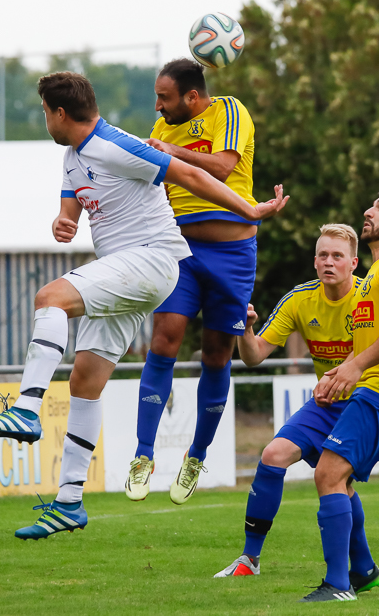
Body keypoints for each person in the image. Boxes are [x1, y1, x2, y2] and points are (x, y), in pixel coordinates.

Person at [0, 72, 288, 539]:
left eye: (43, 112)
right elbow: (73, 201)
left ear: (59, 113)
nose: (44, 121)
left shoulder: (118, 143)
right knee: (86, 379)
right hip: (127, 268)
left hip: (154, 261)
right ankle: (70, 502)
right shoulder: (73, 156)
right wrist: (64, 220)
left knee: (49, 298)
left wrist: (251, 209)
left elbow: (192, 174)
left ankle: (28, 408)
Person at [215, 224, 379, 586]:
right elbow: (254, 357)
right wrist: (245, 328)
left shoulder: (371, 292)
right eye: (322, 255)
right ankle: (251, 558)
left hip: (375, 398)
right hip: (330, 403)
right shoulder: (299, 300)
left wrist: (347, 370)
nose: (328, 262)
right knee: (274, 455)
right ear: (314, 262)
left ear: (353, 263)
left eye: (337, 256)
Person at [125, 58, 260, 505]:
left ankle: (197, 456)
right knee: (164, 340)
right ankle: (143, 456)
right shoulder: (160, 130)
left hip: (233, 254)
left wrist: (173, 153)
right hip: (180, 252)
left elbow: (222, 168)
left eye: (165, 97)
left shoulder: (230, 111)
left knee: (218, 354)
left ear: (193, 97)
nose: (158, 106)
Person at [296, 186, 379, 603]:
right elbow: (378, 334)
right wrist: (342, 371)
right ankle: (360, 573)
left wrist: (355, 367)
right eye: (372, 204)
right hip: (375, 391)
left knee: (329, 474)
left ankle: (340, 584)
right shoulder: (375, 273)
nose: (370, 211)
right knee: (337, 478)